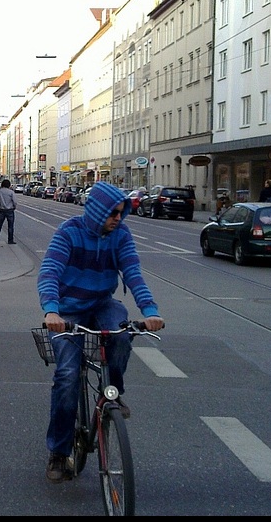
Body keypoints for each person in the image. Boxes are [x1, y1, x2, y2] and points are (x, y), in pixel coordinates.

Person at [37, 181, 165, 483]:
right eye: (113, 214)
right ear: (97, 212)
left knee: (121, 332)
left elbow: (133, 272)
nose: (118, 219)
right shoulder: (68, 232)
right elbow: (49, 272)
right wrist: (52, 310)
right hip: (67, 310)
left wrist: (150, 311)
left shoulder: (120, 235)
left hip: (102, 303)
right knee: (67, 375)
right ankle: (58, 451)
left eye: (121, 213)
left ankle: (114, 394)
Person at [0, 179, 18, 244]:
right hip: (10, 210)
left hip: (2, 209)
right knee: (10, 226)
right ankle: (10, 240)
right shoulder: (11, 192)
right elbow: (15, 201)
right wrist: (14, 207)